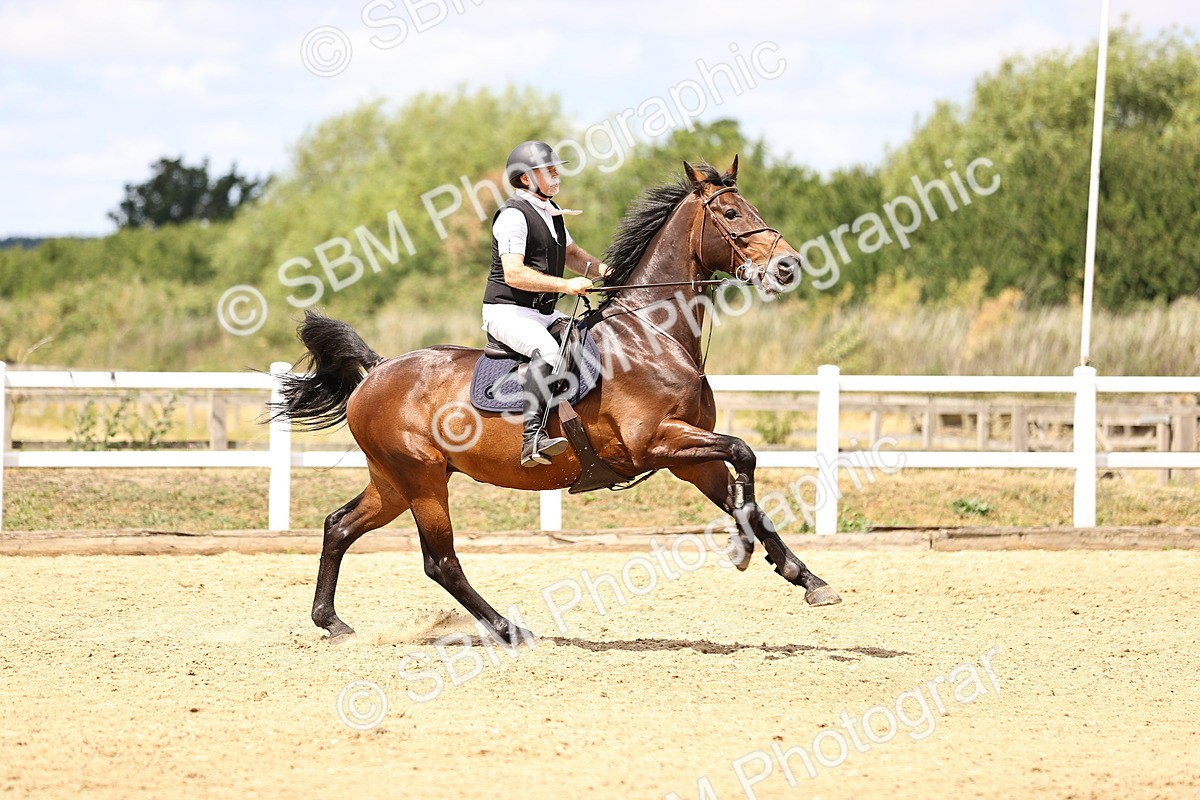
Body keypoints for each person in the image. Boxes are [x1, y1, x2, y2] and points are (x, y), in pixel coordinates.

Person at [483, 141, 609, 467]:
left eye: (555, 167)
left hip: (542, 312)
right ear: (526, 179)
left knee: (587, 337)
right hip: (508, 312)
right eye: (548, 169)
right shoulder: (513, 216)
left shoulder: (552, 214)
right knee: (550, 352)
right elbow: (514, 273)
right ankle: (532, 440)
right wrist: (566, 285)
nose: (556, 173)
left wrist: (609, 272)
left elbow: (574, 255)